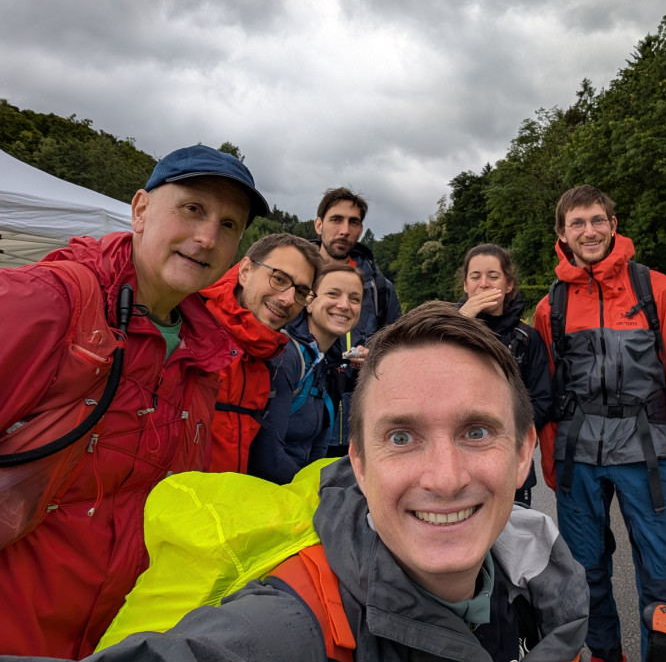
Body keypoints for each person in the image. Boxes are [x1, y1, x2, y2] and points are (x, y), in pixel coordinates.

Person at [1, 302, 590, 662]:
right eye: (402, 437)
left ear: (523, 456)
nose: (444, 477)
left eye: (477, 432)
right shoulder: (287, 626)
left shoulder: (536, 575)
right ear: (357, 464)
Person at [0, 144, 271, 658]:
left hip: (112, 640)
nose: (207, 237)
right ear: (141, 210)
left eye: (230, 224)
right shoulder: (46, 302)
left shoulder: (205, 357)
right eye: (192, 208)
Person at [533, 185, 666, 662]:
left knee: (665, 578)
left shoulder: (657, 289)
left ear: (613, 222)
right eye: (577, 223)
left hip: (646, 452)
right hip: (576, 456)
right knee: (584, 574)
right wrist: (551, 464)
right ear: (562, 233)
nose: (589, 231)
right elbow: (548, 393)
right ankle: (606, 655)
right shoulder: (552, 306)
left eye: (597, 220)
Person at [202, 233, 322, 473]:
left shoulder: (265, 354)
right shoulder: (190, 328)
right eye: (278, 279)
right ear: (245, 271)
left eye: (300, 292)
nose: (288, 299)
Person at [248, 262, 364, 483]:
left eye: (354, 299)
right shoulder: (286, 356)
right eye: (333, 293)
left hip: (293, 492)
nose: (344, 305)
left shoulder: (327, 362)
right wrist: (315, 488)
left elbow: (315, 447)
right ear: (309, 302)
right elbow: (265, 457)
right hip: (264, 495)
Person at [457, 243, 551, 504]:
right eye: (475, 277)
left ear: (508, 285)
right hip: (455, 462)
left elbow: (542, 400)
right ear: (465, 285)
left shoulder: (527, 338)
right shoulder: (442, 333)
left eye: (493, 276)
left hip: (509, 462)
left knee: (512, 540)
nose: (484, 284)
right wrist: (459, 323)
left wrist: (504, 432)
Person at [312, 188, 401, 455]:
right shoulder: (295, 275)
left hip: (362, 424)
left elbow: (400, 350)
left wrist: (375, 358)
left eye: (354, 222)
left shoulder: (379, 287)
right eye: (336, 220)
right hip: (300, 420)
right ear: (319, 224)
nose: (344, 230)